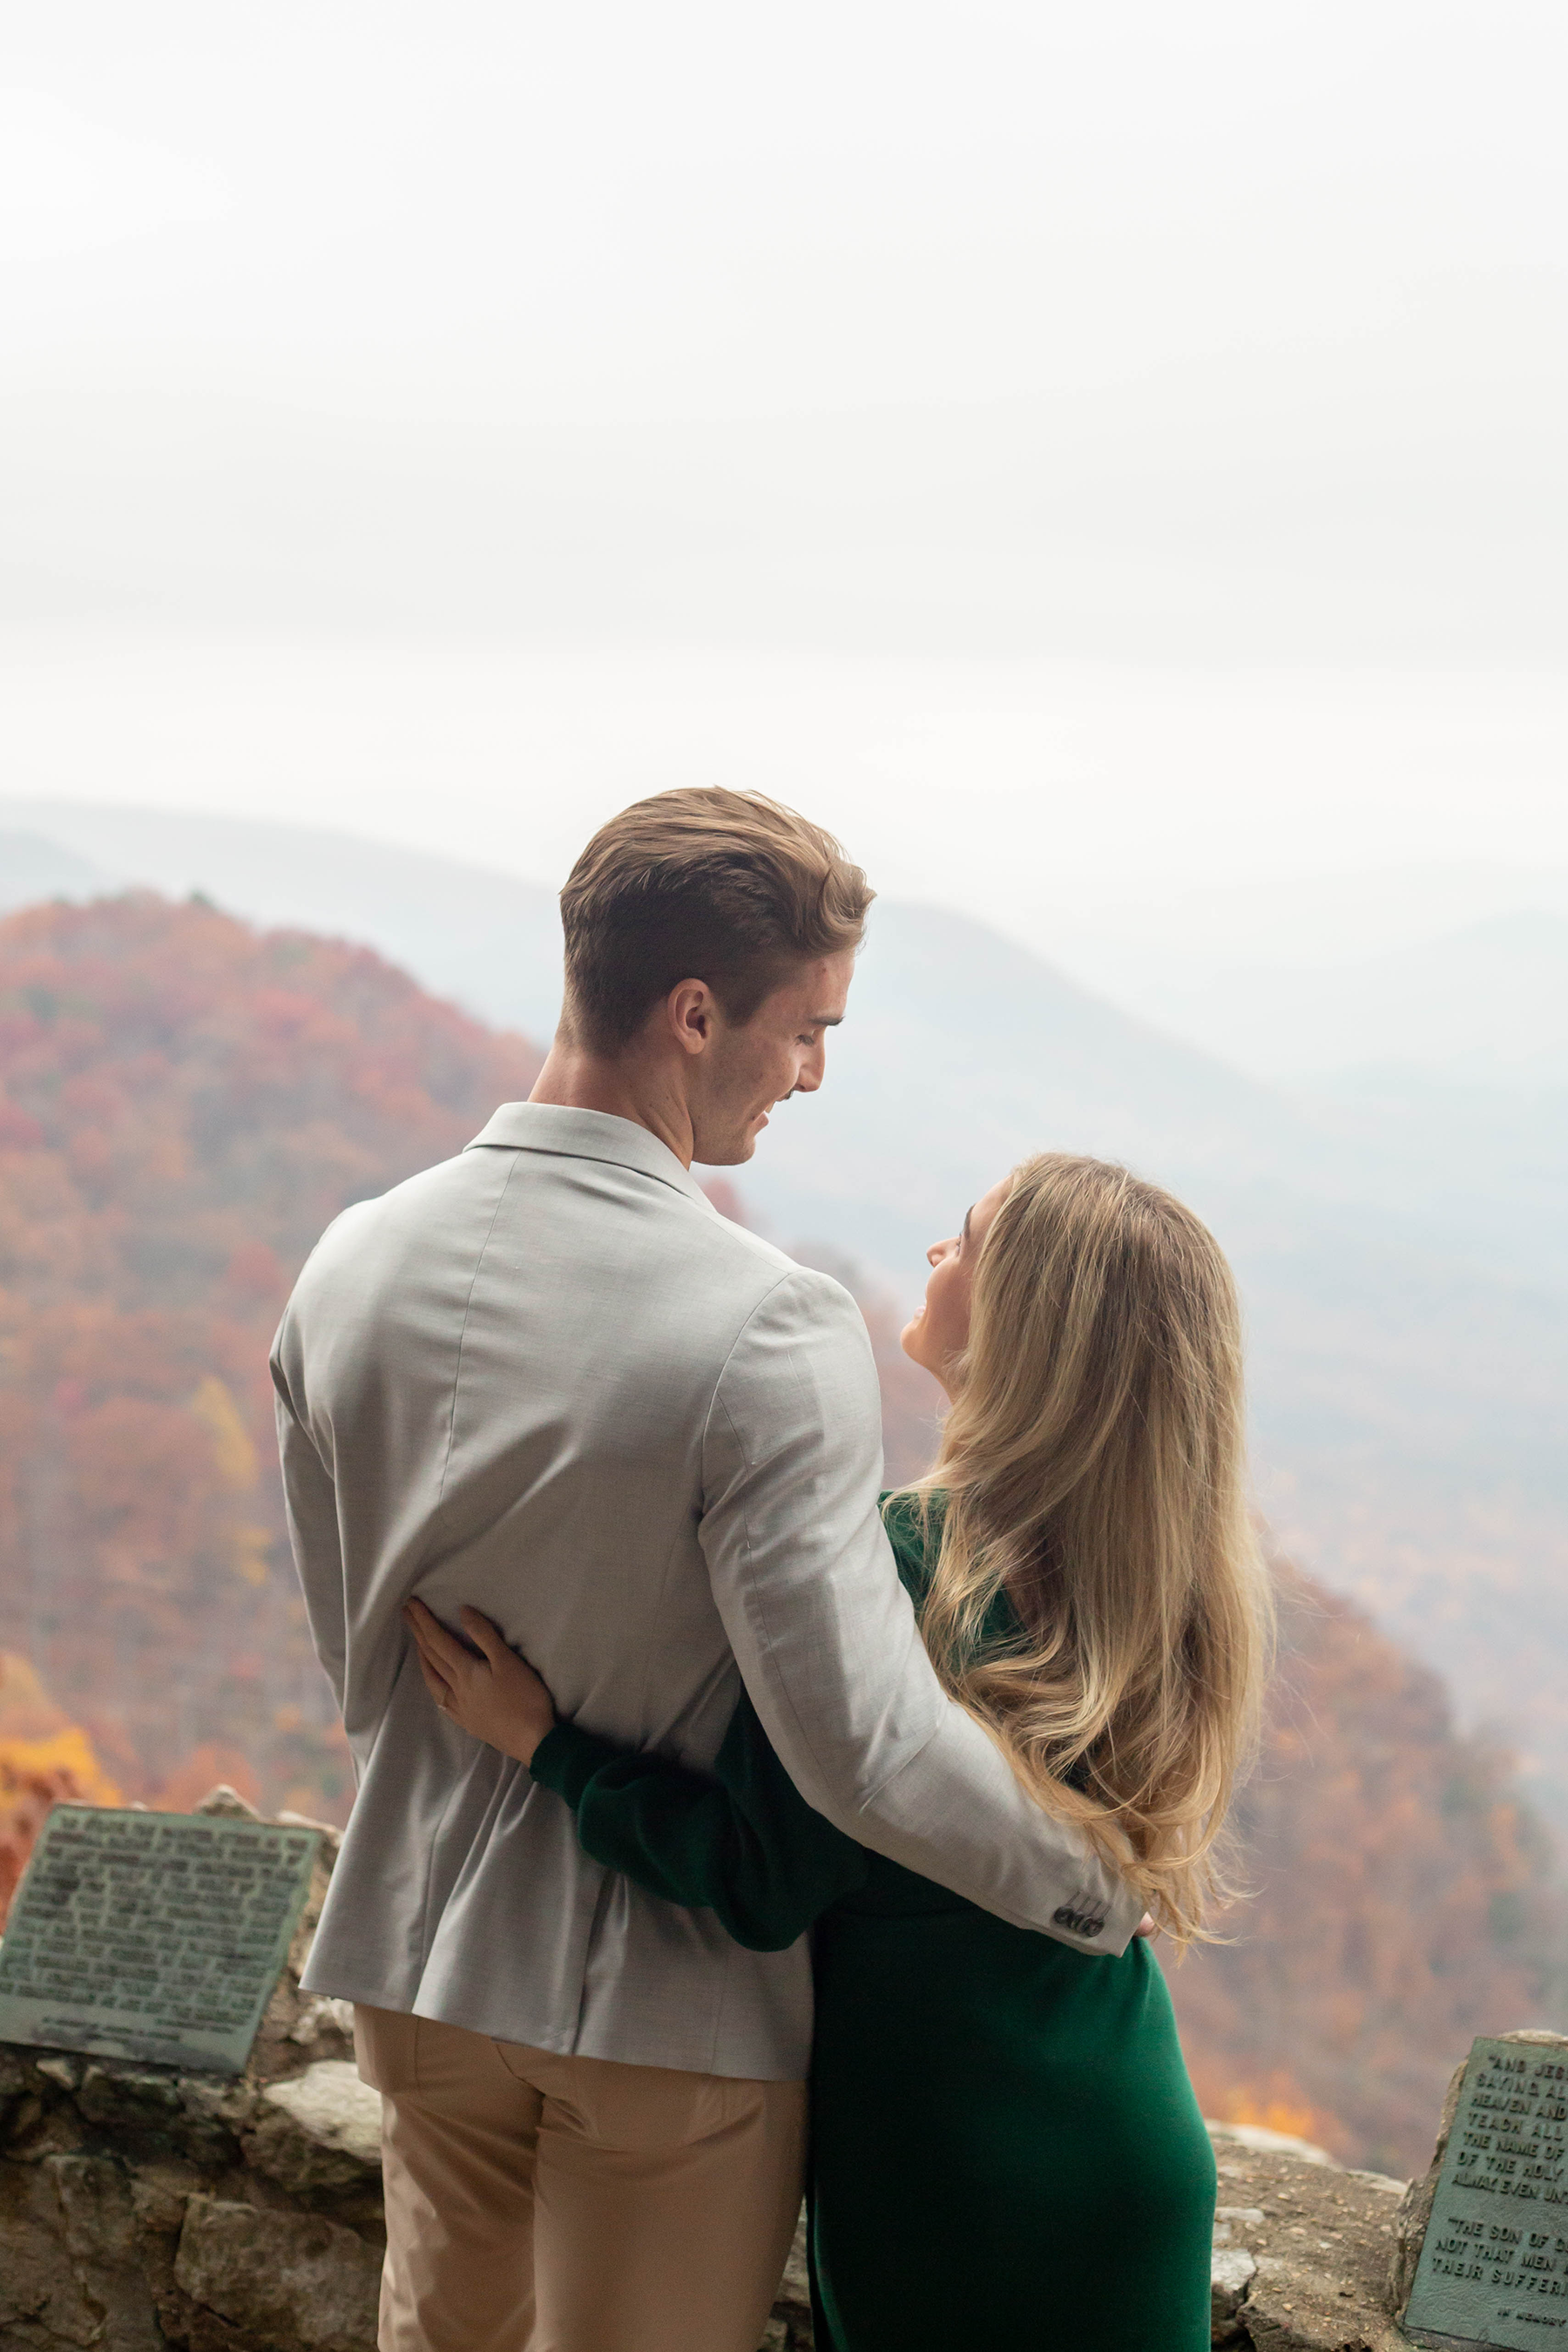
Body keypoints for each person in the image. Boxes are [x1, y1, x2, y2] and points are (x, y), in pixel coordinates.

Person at [271, 788, 1145, 2352]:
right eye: (806, 1028)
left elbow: (359, 1660)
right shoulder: (768, 1322)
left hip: (415, 1964)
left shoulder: (350, 1262)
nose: (812, 1070)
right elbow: (859, 1748)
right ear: (691, 1014)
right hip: (657, 2008)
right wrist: (1080, 1884)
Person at [407, 1151, 1274, 2352]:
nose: (935, 1255)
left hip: (943, 2155)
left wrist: (549, 1749)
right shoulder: (1165, 1587)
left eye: (968, 1241)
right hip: (1127, 2133)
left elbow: (765, 1878)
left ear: (1029, 1321)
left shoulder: (903, 1564)